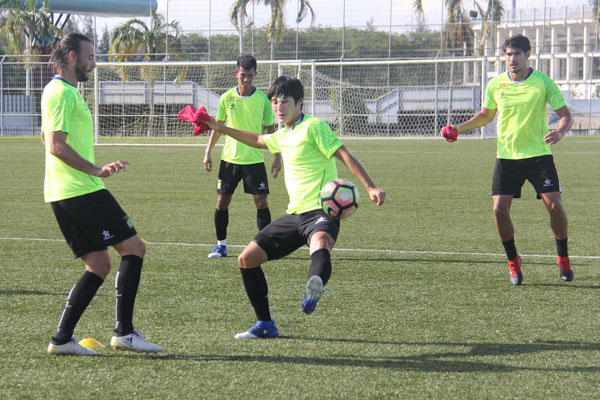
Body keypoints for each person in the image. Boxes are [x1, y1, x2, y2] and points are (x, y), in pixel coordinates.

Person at [205, 76, 386, 339]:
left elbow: (344, 153)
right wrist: (219, 128)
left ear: (300, 102)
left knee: (320, 244)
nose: (279, 107)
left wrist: (370, 186)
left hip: (322, 211)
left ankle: (316, 284)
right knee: (246, 259)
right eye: (275, 102)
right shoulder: (282, 134)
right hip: (294, 215)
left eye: (285, 102)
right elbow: (257, 139)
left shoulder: (314, 126)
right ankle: (265, 323)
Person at [42, 33, 161, 355]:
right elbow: (54, 145)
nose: (93, 63)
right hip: (81, 190)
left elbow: (45, 138)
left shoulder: (60, 92)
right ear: (70, 57)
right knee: (134, 247)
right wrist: (95, 170)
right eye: (90, 56)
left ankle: (62, 339)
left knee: (98, 265)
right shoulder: (61, 93)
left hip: (63, 191)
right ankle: (124, 333)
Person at [440, 34, 574, 286]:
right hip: (507, 158)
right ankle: (513, 261)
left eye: (516, 54)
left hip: (538, 156)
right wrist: (459, 128)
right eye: (508, 54)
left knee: (555, 206)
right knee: (499, 210)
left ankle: (563, 257)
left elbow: (565, 115)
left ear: (527, 55)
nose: (511, 59)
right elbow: (485, 115)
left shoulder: (543, 83)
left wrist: (561, 131)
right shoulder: (496, 84)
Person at [203, 55, 281, 259]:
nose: (246, 79)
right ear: (236, 74)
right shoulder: (226, 98)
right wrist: (208, 152)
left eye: (250, 75)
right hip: (229, 159)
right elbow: (218, 127)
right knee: (222, 202)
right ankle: (221, 246)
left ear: (256, 75)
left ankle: (265, 247)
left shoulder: (263, 100)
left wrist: (277, 156)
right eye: (242, 75)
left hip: (254, 160)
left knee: (261, 202)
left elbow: (271, 130)